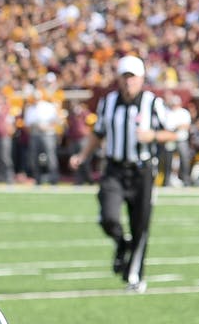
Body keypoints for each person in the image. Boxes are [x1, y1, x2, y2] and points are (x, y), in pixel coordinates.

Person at [67, 54, 177, 294]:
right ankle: (121, 243)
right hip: (115, 169)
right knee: (108, 217)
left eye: (133, 77)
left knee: (141, 226)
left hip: (142, 171)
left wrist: (153, 136)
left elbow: (172, 133)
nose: (129, 82)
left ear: (141, 79)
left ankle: (135, 276)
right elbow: (98, 132)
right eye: (125, 77)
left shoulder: (152, 102)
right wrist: (83, 155)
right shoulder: (108, 102)